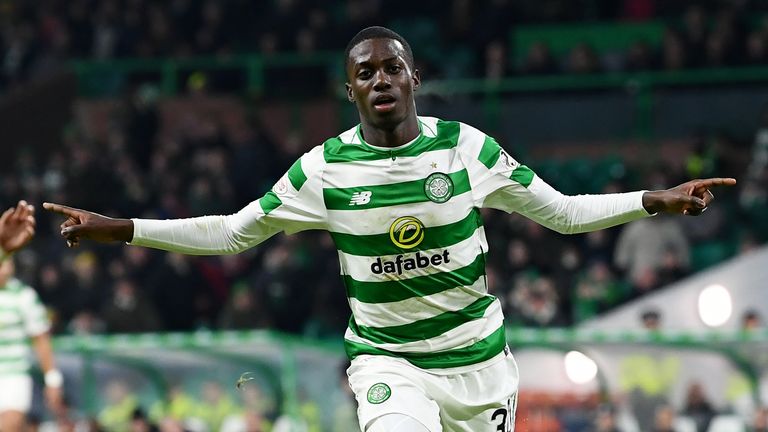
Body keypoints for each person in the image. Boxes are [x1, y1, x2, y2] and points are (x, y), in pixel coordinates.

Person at [44, 26, 736, 432]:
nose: (380, 80)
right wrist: (124, 229)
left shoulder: (468, 149)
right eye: (364, 72)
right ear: (350, 91)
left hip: (481, 366)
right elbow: (233, 233)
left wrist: (653, 200)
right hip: (389, 363)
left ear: (413, 78)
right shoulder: (324, 168)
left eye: (392, 67)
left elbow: (559, 211)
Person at [0, 200, 64, 431]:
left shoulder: (24, 296)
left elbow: (41, 339)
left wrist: (52, 380)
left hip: (13, 376)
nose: (6, 268)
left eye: (9, 263)